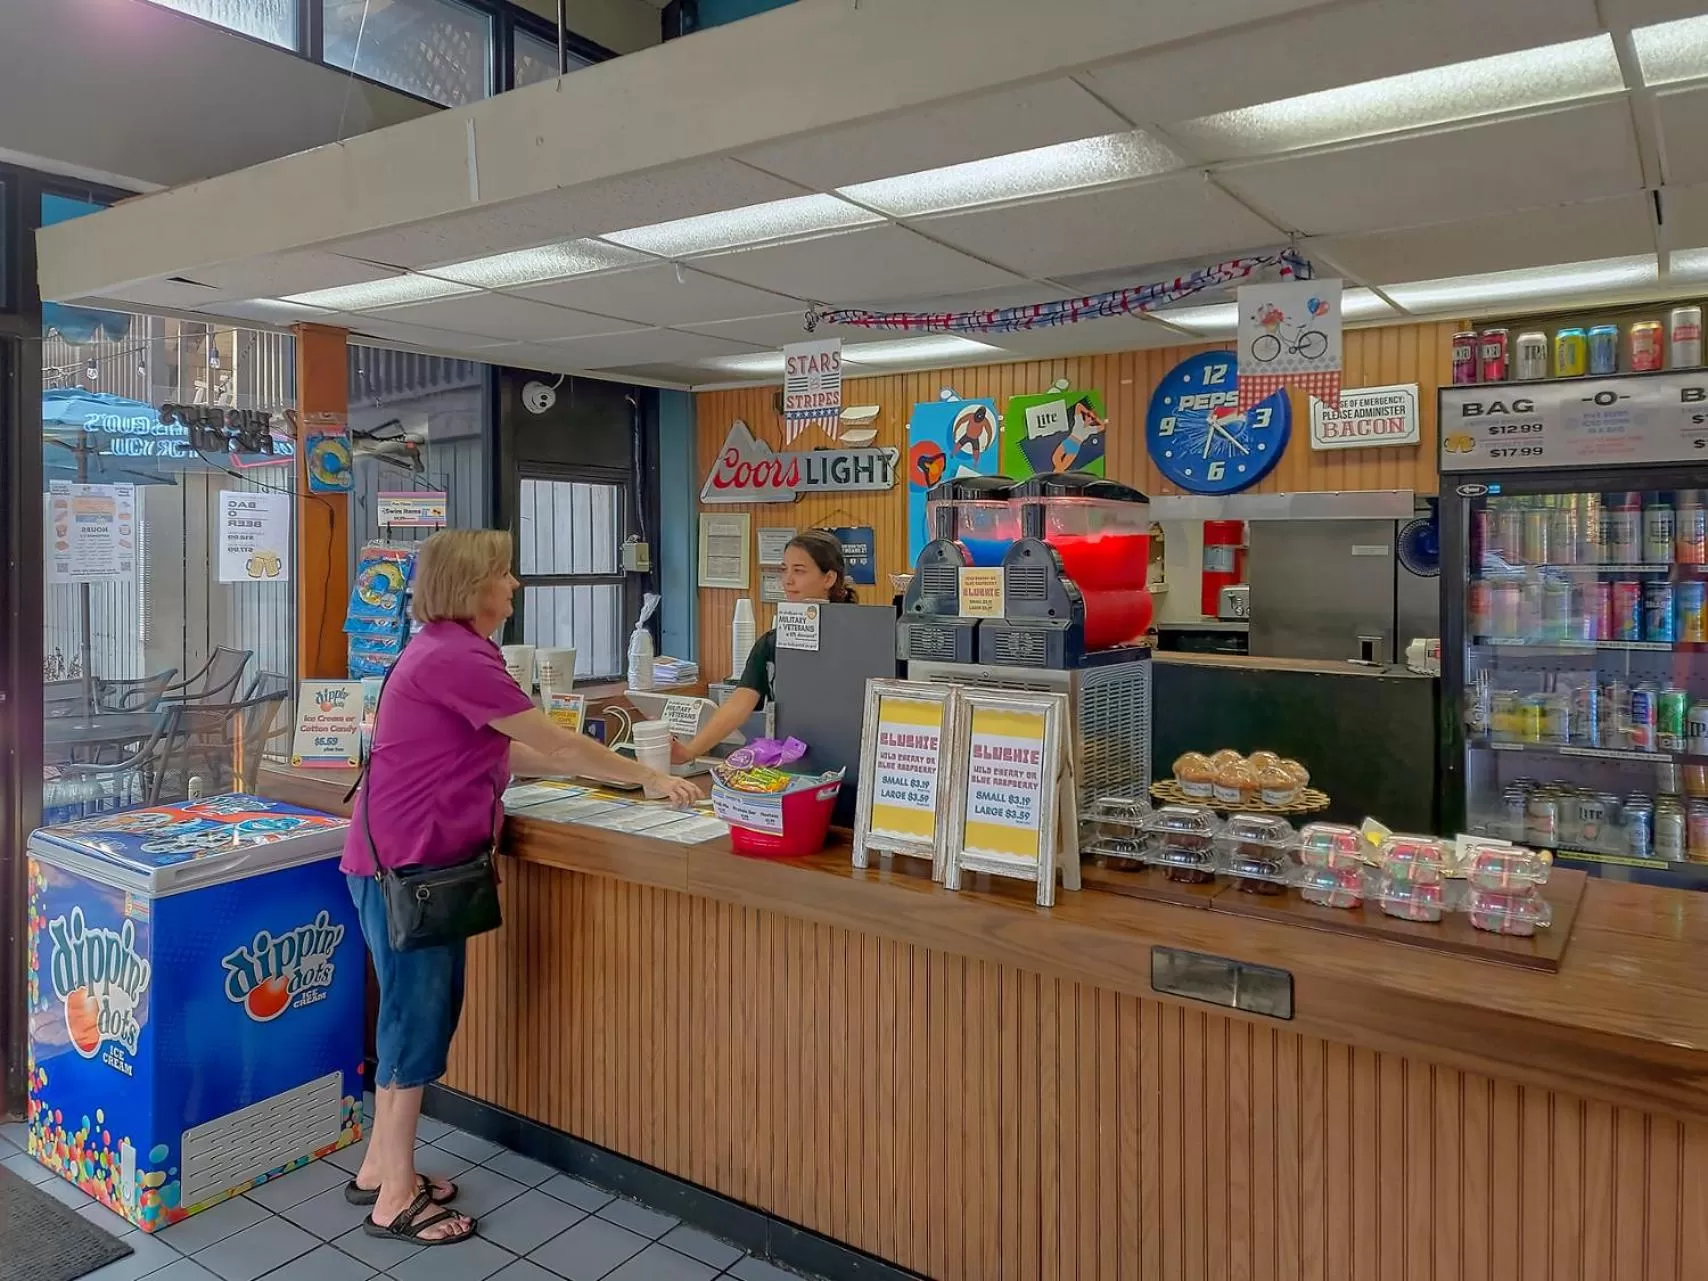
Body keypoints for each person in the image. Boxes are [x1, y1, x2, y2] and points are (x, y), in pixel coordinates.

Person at [342, 529, 698, 1247]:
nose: (515, 587)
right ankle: (398, 1199)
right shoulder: (460, 655)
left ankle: (382, 1166)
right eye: (504, 575)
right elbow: (557, 741)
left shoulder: (436, 649)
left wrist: (602, 772)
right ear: (474, 588)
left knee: (405, 1018)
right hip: (415, 869)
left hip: (386, 863)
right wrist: (646, 774)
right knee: (418, 1023)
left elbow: (510, 748)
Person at [672, 529, 855, 765]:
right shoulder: (770, 643)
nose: (787, 580)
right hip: (793, 763)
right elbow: (740, 703)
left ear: (828, 579)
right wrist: (690, 751)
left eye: (798, 571)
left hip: (851, 761)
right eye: (784, 569)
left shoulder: (860, 638)